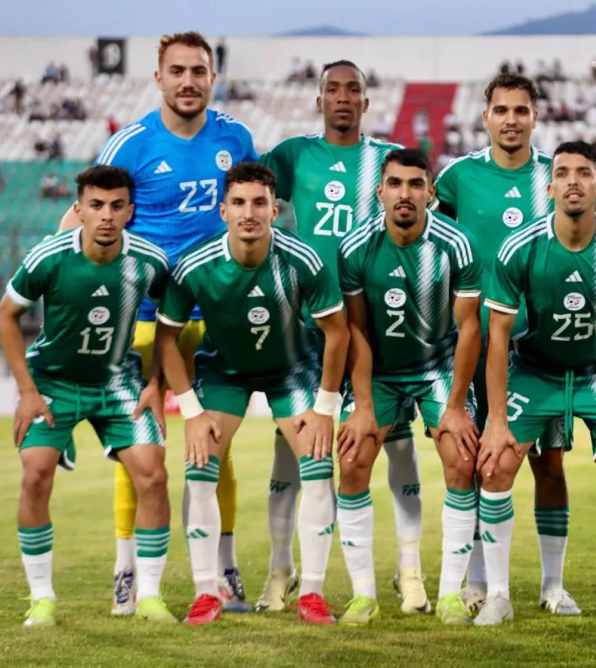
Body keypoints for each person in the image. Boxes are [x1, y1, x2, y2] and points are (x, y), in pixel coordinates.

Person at [57, 31, 258, 615]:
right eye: (177, 71)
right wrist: (57, 268)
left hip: (214, 320)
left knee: (213, 448)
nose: (188, 81)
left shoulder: (236, 137)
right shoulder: (130, 144)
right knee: (139, 446)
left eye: (198, 71)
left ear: (213, 77)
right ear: (158, 78)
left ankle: (223, 572)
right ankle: (127, 574)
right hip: (142, 320)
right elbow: (83, 214)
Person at [257, 60, 424, 614]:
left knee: (397, 443)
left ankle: (409, 570)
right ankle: (281, 569)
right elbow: (249, 200)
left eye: (354, 89)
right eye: (333, 89)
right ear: (319, 99)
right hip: (307, 327)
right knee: (294, 450)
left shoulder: (388, 161)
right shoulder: (290, 156)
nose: (344, 97)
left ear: (367, 102)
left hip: (376, 327)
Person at [476, 140, 596, 626]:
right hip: (536, 371)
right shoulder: (520, 247)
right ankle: (499, 595)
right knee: (494, 465)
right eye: (562, 173)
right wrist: (495, 421)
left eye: (583, 173)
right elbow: (497, 338)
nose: (572, 181)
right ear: (549, 187)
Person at [154, 162, 349, 626]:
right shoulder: (195, 265)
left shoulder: (303, 259)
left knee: (318, 467)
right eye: (239, 203)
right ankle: (206, 593)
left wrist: (325, 408)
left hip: (292, 370)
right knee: (200, 466)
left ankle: (313, 594)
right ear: (223, 210)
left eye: (259, 203)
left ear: (274, 210)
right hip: (225, 373)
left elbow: (337, 333)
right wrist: (191, 411)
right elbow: (166, 338)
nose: (249, 212)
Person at [0, 166, 175, 627]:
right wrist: (27, 391)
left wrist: (156, 383)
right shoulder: (49, 256)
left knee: (154, 476)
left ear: (130, 212)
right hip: (52, 383)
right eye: (96, 205)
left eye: (117, 206)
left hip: (116, 383)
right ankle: (42, 598)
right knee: (35, 475)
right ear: (78, 209)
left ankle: (149, 595)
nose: (106, 215)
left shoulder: (150, 261)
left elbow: (171, 319)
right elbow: (6, 314)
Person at [433, 73, 579, 616]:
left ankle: (552, 585)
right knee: (476, 460)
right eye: (501, 110)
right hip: (474, 344)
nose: (511, 119)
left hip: (541, 350)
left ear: (535, 117)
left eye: (521, 110)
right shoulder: (458, 178)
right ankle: (477, 582)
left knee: (550, 465)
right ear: (486, 117)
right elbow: (433, 245)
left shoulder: (555, 175)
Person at [335, 149, 481, 625]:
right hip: (379, 371)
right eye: (395, 184)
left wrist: (455, 406)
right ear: (380, 191)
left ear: (431, 193)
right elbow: (356, 329)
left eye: (416, 184)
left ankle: (452, 595)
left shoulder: (456, 244)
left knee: (461, 458)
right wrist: (361, 406)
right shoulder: (356, 247)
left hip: (436, 366)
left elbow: (470, 328)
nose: (405, 193)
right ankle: (363, 595)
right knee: (352, 459)